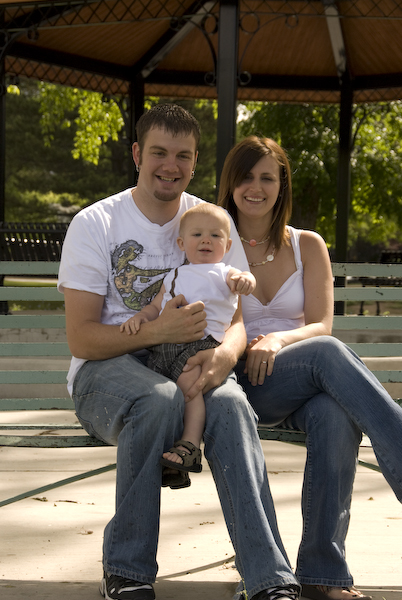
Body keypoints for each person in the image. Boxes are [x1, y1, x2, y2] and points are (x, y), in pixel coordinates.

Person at [58, 105, 301, 600]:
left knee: (231, 405)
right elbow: (82, 339)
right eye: (159, 152)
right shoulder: (95, 223)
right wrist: (156, 330)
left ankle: (269, 579)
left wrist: (226, 358)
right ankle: (127, 570)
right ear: (137, 154)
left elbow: (236, 321)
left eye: (183, 155)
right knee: (158, 399)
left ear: (194, 162)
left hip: (196, 360)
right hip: (108, 371)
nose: (170, 165)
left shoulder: (210, 222)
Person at [218, 135, 402, 600]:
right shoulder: (213, 242)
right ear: (230, 183)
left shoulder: (307, 245)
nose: (256, 187)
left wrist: (278, 339)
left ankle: (322, 573)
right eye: (246, 176)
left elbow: (321, 323)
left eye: (267, 178)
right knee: (327, 352)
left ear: (282, 186)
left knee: (335, 414)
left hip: (299, 380)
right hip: (242, 384)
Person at [120, 202, 256, 484]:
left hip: (201, 345)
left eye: (215, 235)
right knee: (159, 396)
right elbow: (156, 306)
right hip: (164, 347)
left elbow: (244, 279)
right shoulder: (174, 275)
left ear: (227, 245)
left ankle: (190, 446)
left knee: (189, 388)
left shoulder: (224, 272)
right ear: (182, 243)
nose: (206, 240)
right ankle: (172, 464)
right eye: (197, 235)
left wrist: (245, 280)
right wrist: (140, 318)